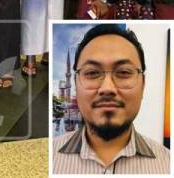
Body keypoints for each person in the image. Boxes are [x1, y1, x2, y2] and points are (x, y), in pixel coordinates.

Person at [53, 24, 170, 174]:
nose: (107, 88)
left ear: (143, 85)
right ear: (75, 83)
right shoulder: (47, 158)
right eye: (92, 73)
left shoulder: (167, 165)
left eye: (123, 72)